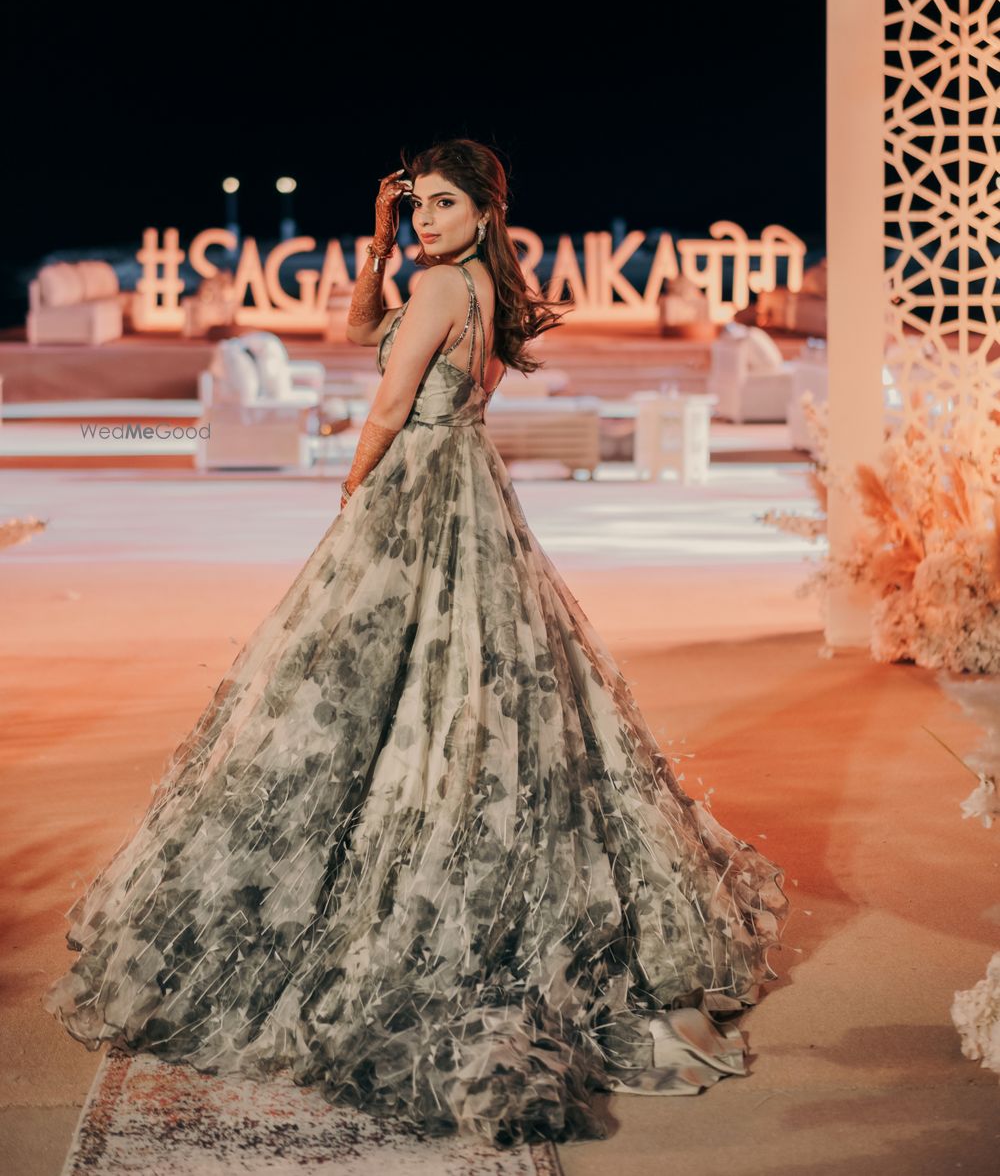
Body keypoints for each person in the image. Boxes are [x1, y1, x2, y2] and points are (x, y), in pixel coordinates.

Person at [44, 138, 789, 1148]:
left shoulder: (445, 288)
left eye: (442, 205)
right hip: (472, 492)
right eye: (418, 207)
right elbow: (360, 330)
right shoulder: (471, 285)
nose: (427, 221)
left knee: (356, 686)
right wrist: (379, 241)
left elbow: (388, 402)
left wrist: (353, 493)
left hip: (417, 498)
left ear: (484, 209)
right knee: (468, 678)